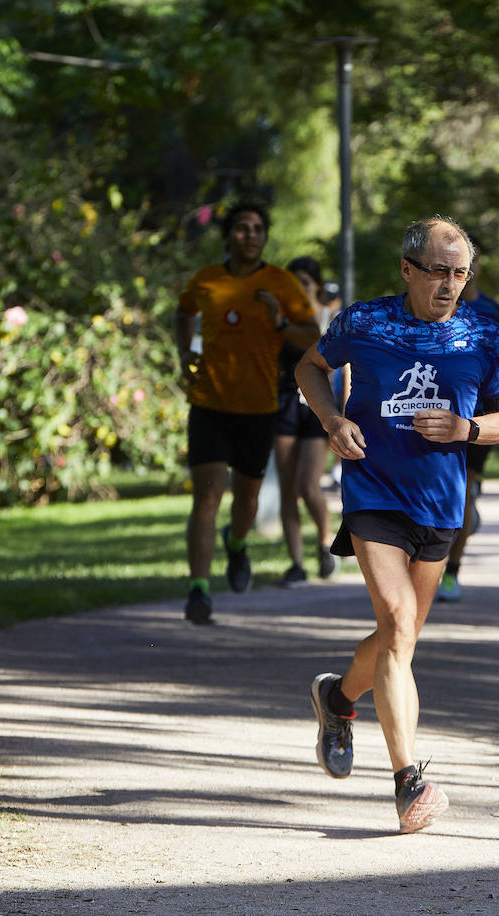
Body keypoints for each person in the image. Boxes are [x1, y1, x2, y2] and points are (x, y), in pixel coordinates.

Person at [295, 216, 499, 834]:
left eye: (460, 273)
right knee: (396, 624)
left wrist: (466, 429)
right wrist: (333, 422)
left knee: (402, 638)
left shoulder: (485, 335)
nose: (450, 284)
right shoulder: (362, 323)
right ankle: (408, 783)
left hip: (441, 504)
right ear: (408, 270)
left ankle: (337, 700)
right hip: (373, 491)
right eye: (438, 272)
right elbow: (308, 367)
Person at [175, 202, 320, 624]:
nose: (250, 235)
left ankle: (236, 544)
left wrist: (279, 323)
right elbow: (184, 312)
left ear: (265, 236)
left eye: (258, 228)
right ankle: (198, 591)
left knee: (248, 499)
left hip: (259, 408)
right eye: (242, 228)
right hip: (209, 404)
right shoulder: (206, 281)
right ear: (228, 236)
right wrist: (185, 352)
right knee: (207, 496)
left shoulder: (281, 282)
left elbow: (312, 334)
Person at [435, 248, 499, 603]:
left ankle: (451, 571)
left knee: (463, 496)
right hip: (432, 415)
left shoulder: (493, 313)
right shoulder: (429, 306)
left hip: (477, 419)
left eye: (467, 265)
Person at [273, 255, 338, 587]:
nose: (299, 287)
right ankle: (296, 562)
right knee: (287, 487)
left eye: (305, 281)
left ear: (317, 284)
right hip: (284, 402)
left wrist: (342, 410)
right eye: (293, 281)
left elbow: (342, 366)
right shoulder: (280, 319)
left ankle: (325, 543)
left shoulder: (328, 317)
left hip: (318, 404)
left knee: (308, 484)